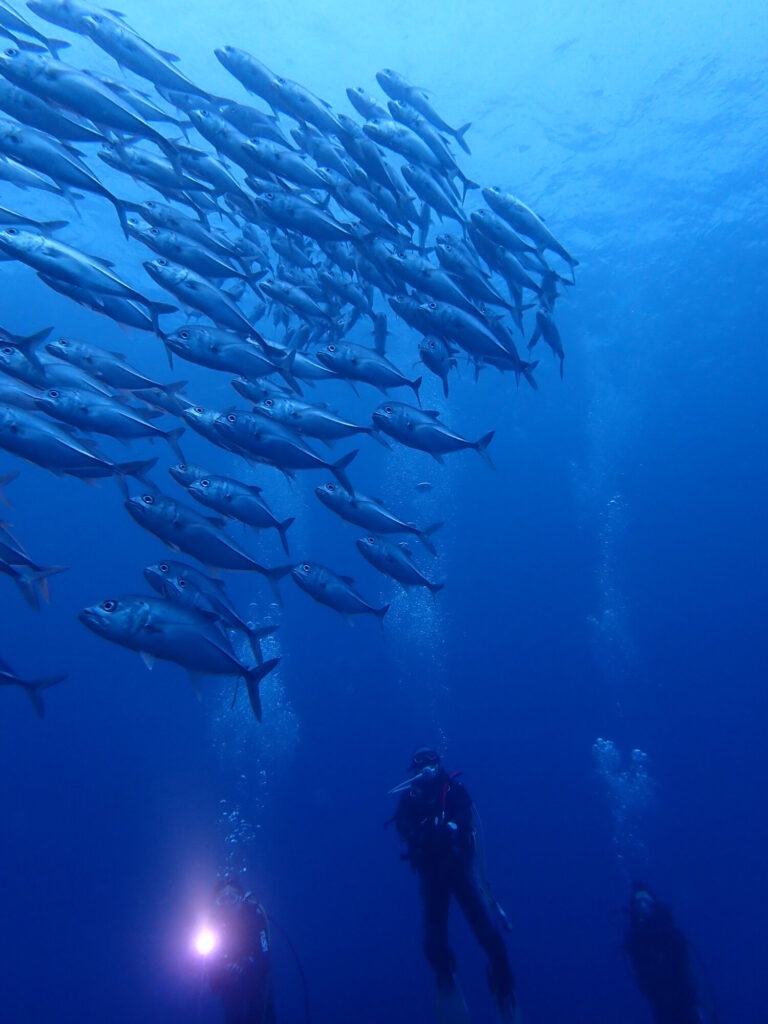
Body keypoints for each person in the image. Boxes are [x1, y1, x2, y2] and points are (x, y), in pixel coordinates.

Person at [392, 748, 516, 1022]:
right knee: (433, 944)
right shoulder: (410, 797)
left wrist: (451, 826)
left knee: (487, 932)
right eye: (421, 766)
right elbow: (401, 822)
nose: (427, 769)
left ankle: (503, 982)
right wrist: (419, 831)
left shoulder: (454, 788)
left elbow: (464, 811)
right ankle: (446, 980)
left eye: (431, 763)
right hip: (432, 875)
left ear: (439, 764)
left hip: (458, 871)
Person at [625, 882, 704, 1024]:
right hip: (662, 1007)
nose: (643, 907)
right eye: (638, 903)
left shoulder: (670, 932)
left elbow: (682, 963)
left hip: (685, 1002)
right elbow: (642, 979)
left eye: (647, 902)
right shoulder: (635, 941)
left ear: (654, 904)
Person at [205, 878, 275, 1024]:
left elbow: (266, 961)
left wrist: (247, 965)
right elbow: (212, 979)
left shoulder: (255, 920)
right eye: (223, 900)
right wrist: (223, 970)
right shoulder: (214, 928)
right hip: (232, 1001)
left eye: (232, 898)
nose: (228, 904)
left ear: (241, 900)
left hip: (259, 999)